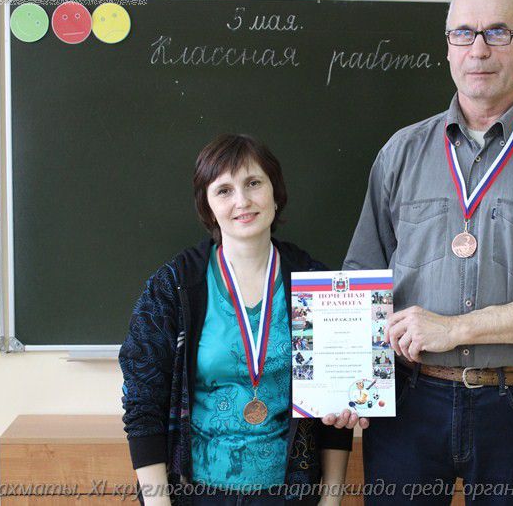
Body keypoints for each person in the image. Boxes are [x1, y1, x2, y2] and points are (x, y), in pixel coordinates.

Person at [342, 0, 513, 504]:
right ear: (448, 47)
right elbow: (359, 281)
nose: (478, 49)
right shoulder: (400, 153)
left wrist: (455, 328)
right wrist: (351, 385)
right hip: (408, 403)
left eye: (497, 32)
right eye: (463, 33)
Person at [119, 134, 353, 506]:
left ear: (275, 191)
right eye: (224, 190)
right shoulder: (174, 286)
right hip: (197, 493)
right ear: (208, 206)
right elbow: (142, 401)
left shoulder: (317, 283)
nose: (242, 201)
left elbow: (337, 403)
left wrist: (332, 498)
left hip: (291, 492)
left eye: (253, 183)